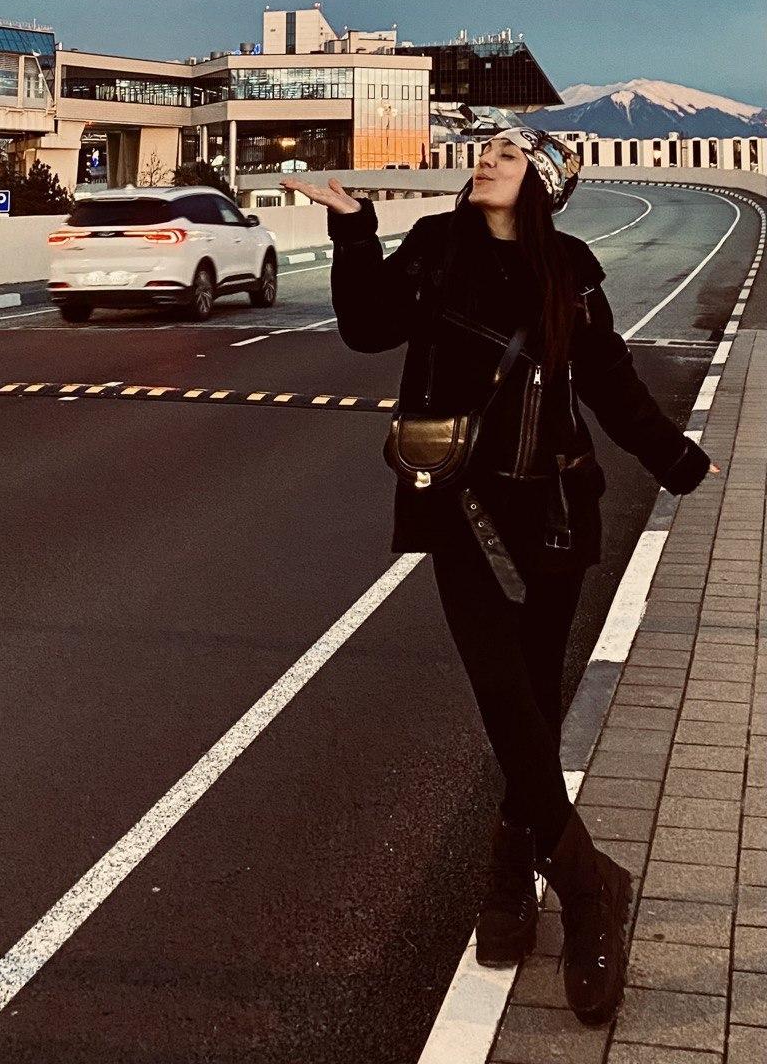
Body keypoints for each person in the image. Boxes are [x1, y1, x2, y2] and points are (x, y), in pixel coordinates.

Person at [280, 129, 719, 1027]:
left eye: (507, 156)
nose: (483, 161)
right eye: (482, 151)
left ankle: (512, 868)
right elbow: (367, 329)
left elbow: (609, 380)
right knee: (500, 690)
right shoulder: (436, 247)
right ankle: (589, 886)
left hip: (552, 509)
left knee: (532, 701)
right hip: (462, 509)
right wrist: (354, 230)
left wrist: (673, 456)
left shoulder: (571, 270)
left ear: (543, 184)